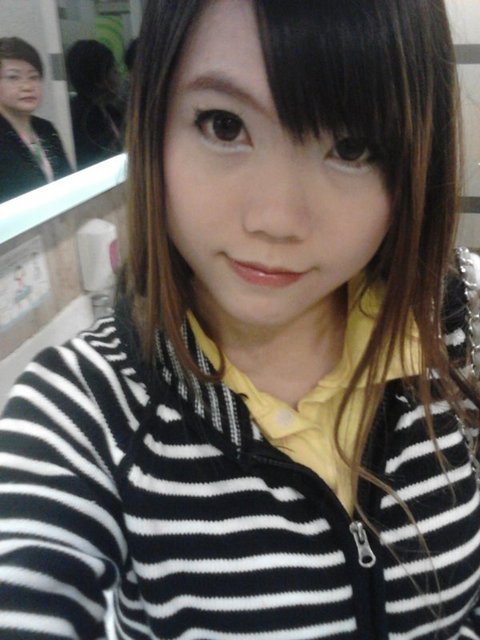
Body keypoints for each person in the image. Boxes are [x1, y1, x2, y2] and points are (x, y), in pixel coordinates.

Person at [0, 1, 480, 638]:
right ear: (154, 123)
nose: (276, 219)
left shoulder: (455, 323)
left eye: (352, 146)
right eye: (224, 125)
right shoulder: (83, 409)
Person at [0, 37, 71, 202]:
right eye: (13, 77)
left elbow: (67, 182)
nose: (27, 86)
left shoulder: (45, 128)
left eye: (33, 77)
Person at [66, 39, 124, 170]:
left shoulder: (108, 109)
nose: (119, 76)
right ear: (99, 79)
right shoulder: (85, 120)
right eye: (114, 71)